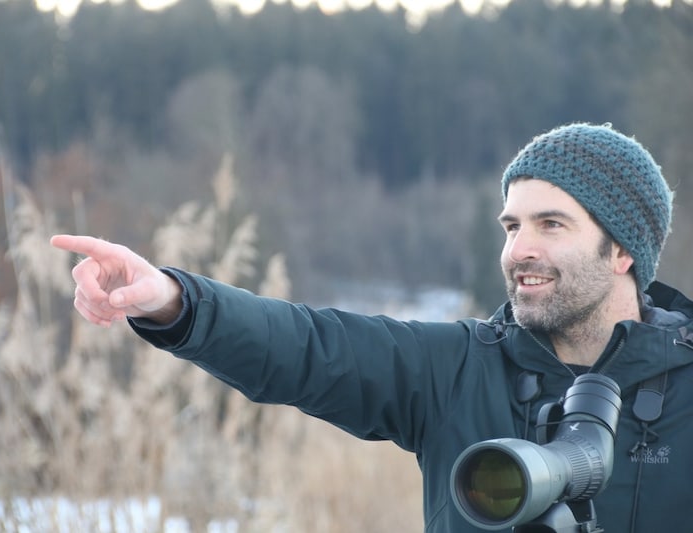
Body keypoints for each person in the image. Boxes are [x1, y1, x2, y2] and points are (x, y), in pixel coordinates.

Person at [51, 123, 693, 532]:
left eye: (550, 225)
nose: (519, 249)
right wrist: (173, 299)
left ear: (622, 252)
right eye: (511, 226)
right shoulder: (456, 369)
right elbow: (305, 348)